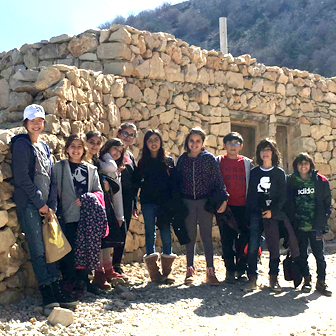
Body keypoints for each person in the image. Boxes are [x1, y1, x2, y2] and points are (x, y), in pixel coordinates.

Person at [11, 104, 77, 313]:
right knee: (39, 249)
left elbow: (51, 179)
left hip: (46, 207)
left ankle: (57, 288)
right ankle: (47, 292)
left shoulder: (45, 147)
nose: (37, 124)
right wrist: (41, 203)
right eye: (33, 121)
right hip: (31, 205)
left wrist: (52, 205)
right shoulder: (22, 145)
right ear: (26, 123)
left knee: (50, 248)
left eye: (40, 121)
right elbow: (22, 178)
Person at [245, 138, 299, 292]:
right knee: (253, 246)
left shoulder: (278, 173)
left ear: (273, 152)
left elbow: (283, 196)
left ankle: (273, 278)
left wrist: (272, 212)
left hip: (273, 214)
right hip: (257, 214)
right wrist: (254, 212)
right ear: (259, 153)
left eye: (268, 149)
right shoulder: (254, 172)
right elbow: (251, 194)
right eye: (262, 150)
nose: (265, 153)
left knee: (274, 247)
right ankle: (252, 279)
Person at [176, 127, 228, 285]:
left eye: (198, 141)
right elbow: (177, 182)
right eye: (191, 141)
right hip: (188, 203)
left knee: (206, 237)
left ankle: (210, 271)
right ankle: (189, 270)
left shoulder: (209, 159)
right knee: (190, 237)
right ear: (187, 142)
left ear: (203, 142)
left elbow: (218, 180)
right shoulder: (183, 160)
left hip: (205, 203)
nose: (194, 144)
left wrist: (224, 199)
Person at [53, 134, 103, 297]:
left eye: (79, 147)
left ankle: (84, 282)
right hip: (67, 216)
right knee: (69, 249)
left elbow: (98, 192)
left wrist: (87, 199)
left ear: (84, 149)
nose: (76, 150)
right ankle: (69, 282)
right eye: (72, 146)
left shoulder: (91, 170)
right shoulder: (58, 168)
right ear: (67, 149)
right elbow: (53, 191)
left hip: (86, 217)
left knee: (85, 249)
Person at [287, 153, 332, 296]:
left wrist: (324, 217)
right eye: (300, 163)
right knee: (302, 254)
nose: (303, 166)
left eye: (306, 163)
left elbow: (326, 200)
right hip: (299, 225)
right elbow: (288, 201)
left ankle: (321, 282)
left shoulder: (320, 180)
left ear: (310, 165)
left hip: (316, 226)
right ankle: (307, 280)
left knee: (319, 254)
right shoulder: (292, 181)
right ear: (296, 166)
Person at [137, 130, 177, 283]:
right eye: (150, 140)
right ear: (146, 144)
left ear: (161, 142)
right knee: (149, 232)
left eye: (156, 140)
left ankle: (167, 272)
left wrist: (173, 203)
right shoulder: (143, 162)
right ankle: (154, 273)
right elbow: (137, 182)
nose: (153, 143)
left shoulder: (168, 161)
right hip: (148, 202)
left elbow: (173, 183)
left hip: (165, 203)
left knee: (166, 233)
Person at [216, 132, 253, 283]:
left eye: (236, 143)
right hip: (225, 207)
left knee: (244, 239)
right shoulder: (218, 161)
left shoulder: (247, 163)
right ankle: (230, 270)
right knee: (226, 240)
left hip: (243, 207)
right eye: (229, 143)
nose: (233, 146)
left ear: (241, 146)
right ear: (224, 145)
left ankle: (241, 270)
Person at [96, 138, 128, 286]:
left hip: (110, 206)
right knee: (100, 241)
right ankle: (99, 272)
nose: (117, 153)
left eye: (120, 151)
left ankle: (107, 268)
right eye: (114, 149)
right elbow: (109, 166)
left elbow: (118, 193)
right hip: (100, 205)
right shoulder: (107, 164)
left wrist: (119, 214)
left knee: (106, 240)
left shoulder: (113, 167)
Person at [114, 123, 139, 277]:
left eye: (132, 135)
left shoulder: (129, 156)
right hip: (114, 197)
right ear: (118, 133)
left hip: (128, 199)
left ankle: (117, 264)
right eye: (125, 133)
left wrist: (135, 203)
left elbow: (134, 181)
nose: (128, 138)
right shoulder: (110, 153)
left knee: (123, 231)